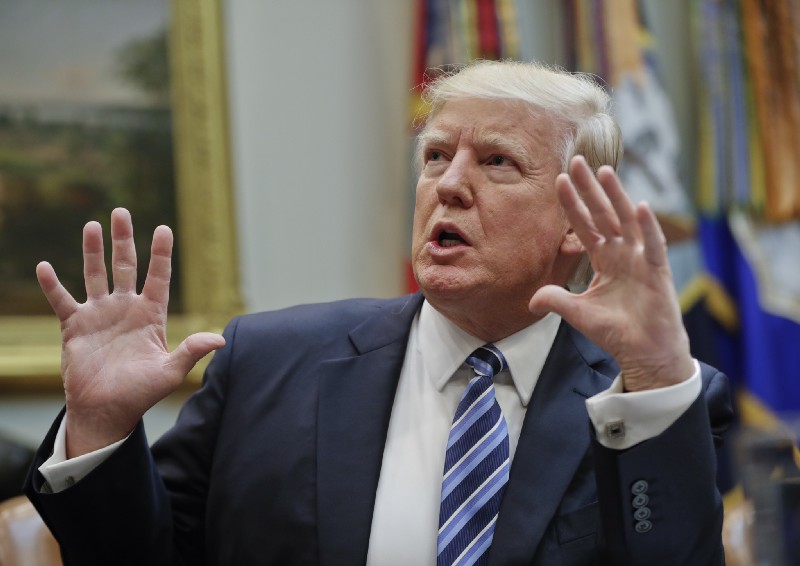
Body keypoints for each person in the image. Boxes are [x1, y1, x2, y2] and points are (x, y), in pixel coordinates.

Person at [25, 61, 731, 565]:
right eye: (436, 156)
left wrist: (655, 375)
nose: (449, 185)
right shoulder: (265, 363)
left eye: (497, 161)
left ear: (577, 220)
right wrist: (100, 427)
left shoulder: (646, 400)